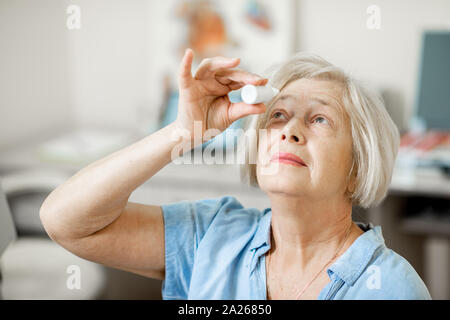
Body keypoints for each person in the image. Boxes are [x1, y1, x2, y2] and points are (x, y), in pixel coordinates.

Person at [40, 49, 431, 300]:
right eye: (278, 114)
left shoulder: (391, 288)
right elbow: (65, 222)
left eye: (319, 119)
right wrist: (181, 133)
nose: (288, 130)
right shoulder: (211, 236)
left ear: (356, 165)